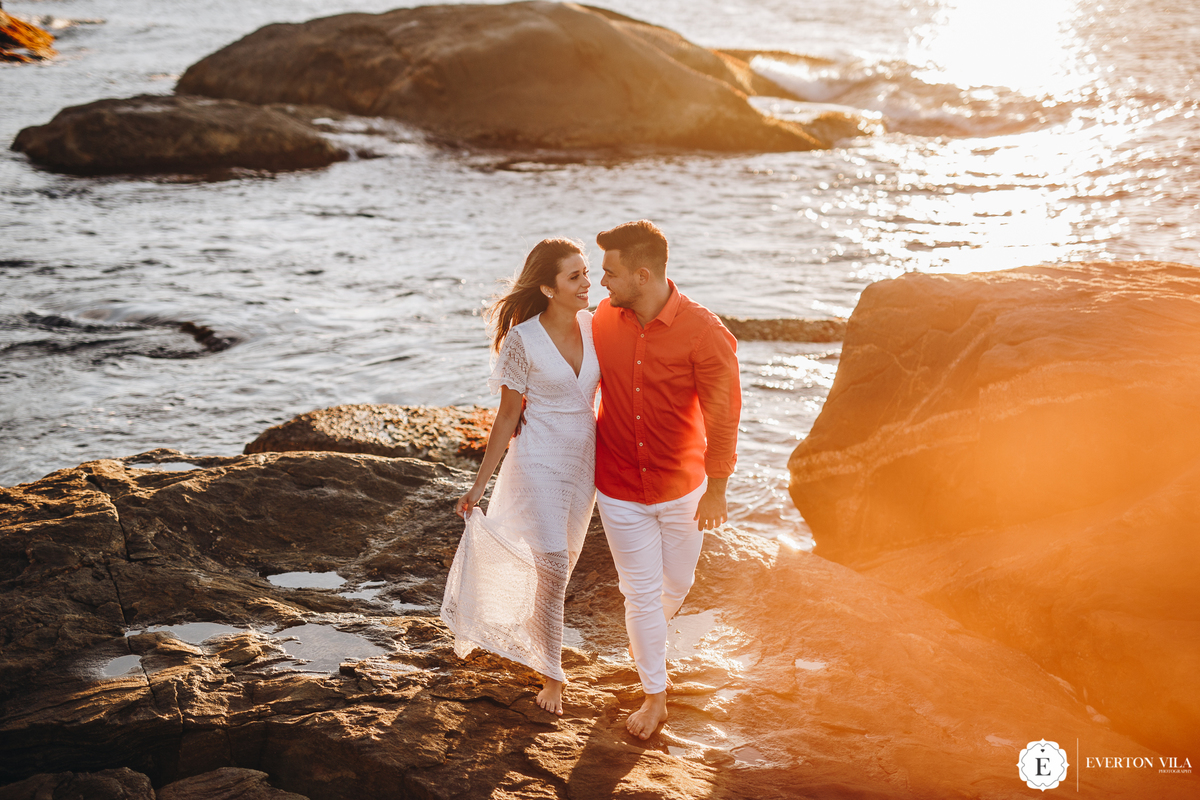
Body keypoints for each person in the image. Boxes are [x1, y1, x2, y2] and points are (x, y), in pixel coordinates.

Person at [591, 220, 741, 740]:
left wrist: (718, 486)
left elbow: (724, 414)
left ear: (642, 274)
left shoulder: (704, 332)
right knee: (640, 595)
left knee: (677, 584)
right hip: (618, 488)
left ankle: (646, 641)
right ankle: (656, 695)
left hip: (683, 489)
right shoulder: (602, 321)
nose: (601, 283)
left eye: (609, 273)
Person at [440, 238, 599, 716]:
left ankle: (534, 631)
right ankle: (553, 675)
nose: (587, 283)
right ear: (548, 288)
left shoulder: (598, 326)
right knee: (551, 567)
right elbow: (508, 417)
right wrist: (478, 484)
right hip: (537, 461)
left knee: (562, 564)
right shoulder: (522, 339)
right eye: (575, 276)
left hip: (584, 464)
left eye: (587, 272)